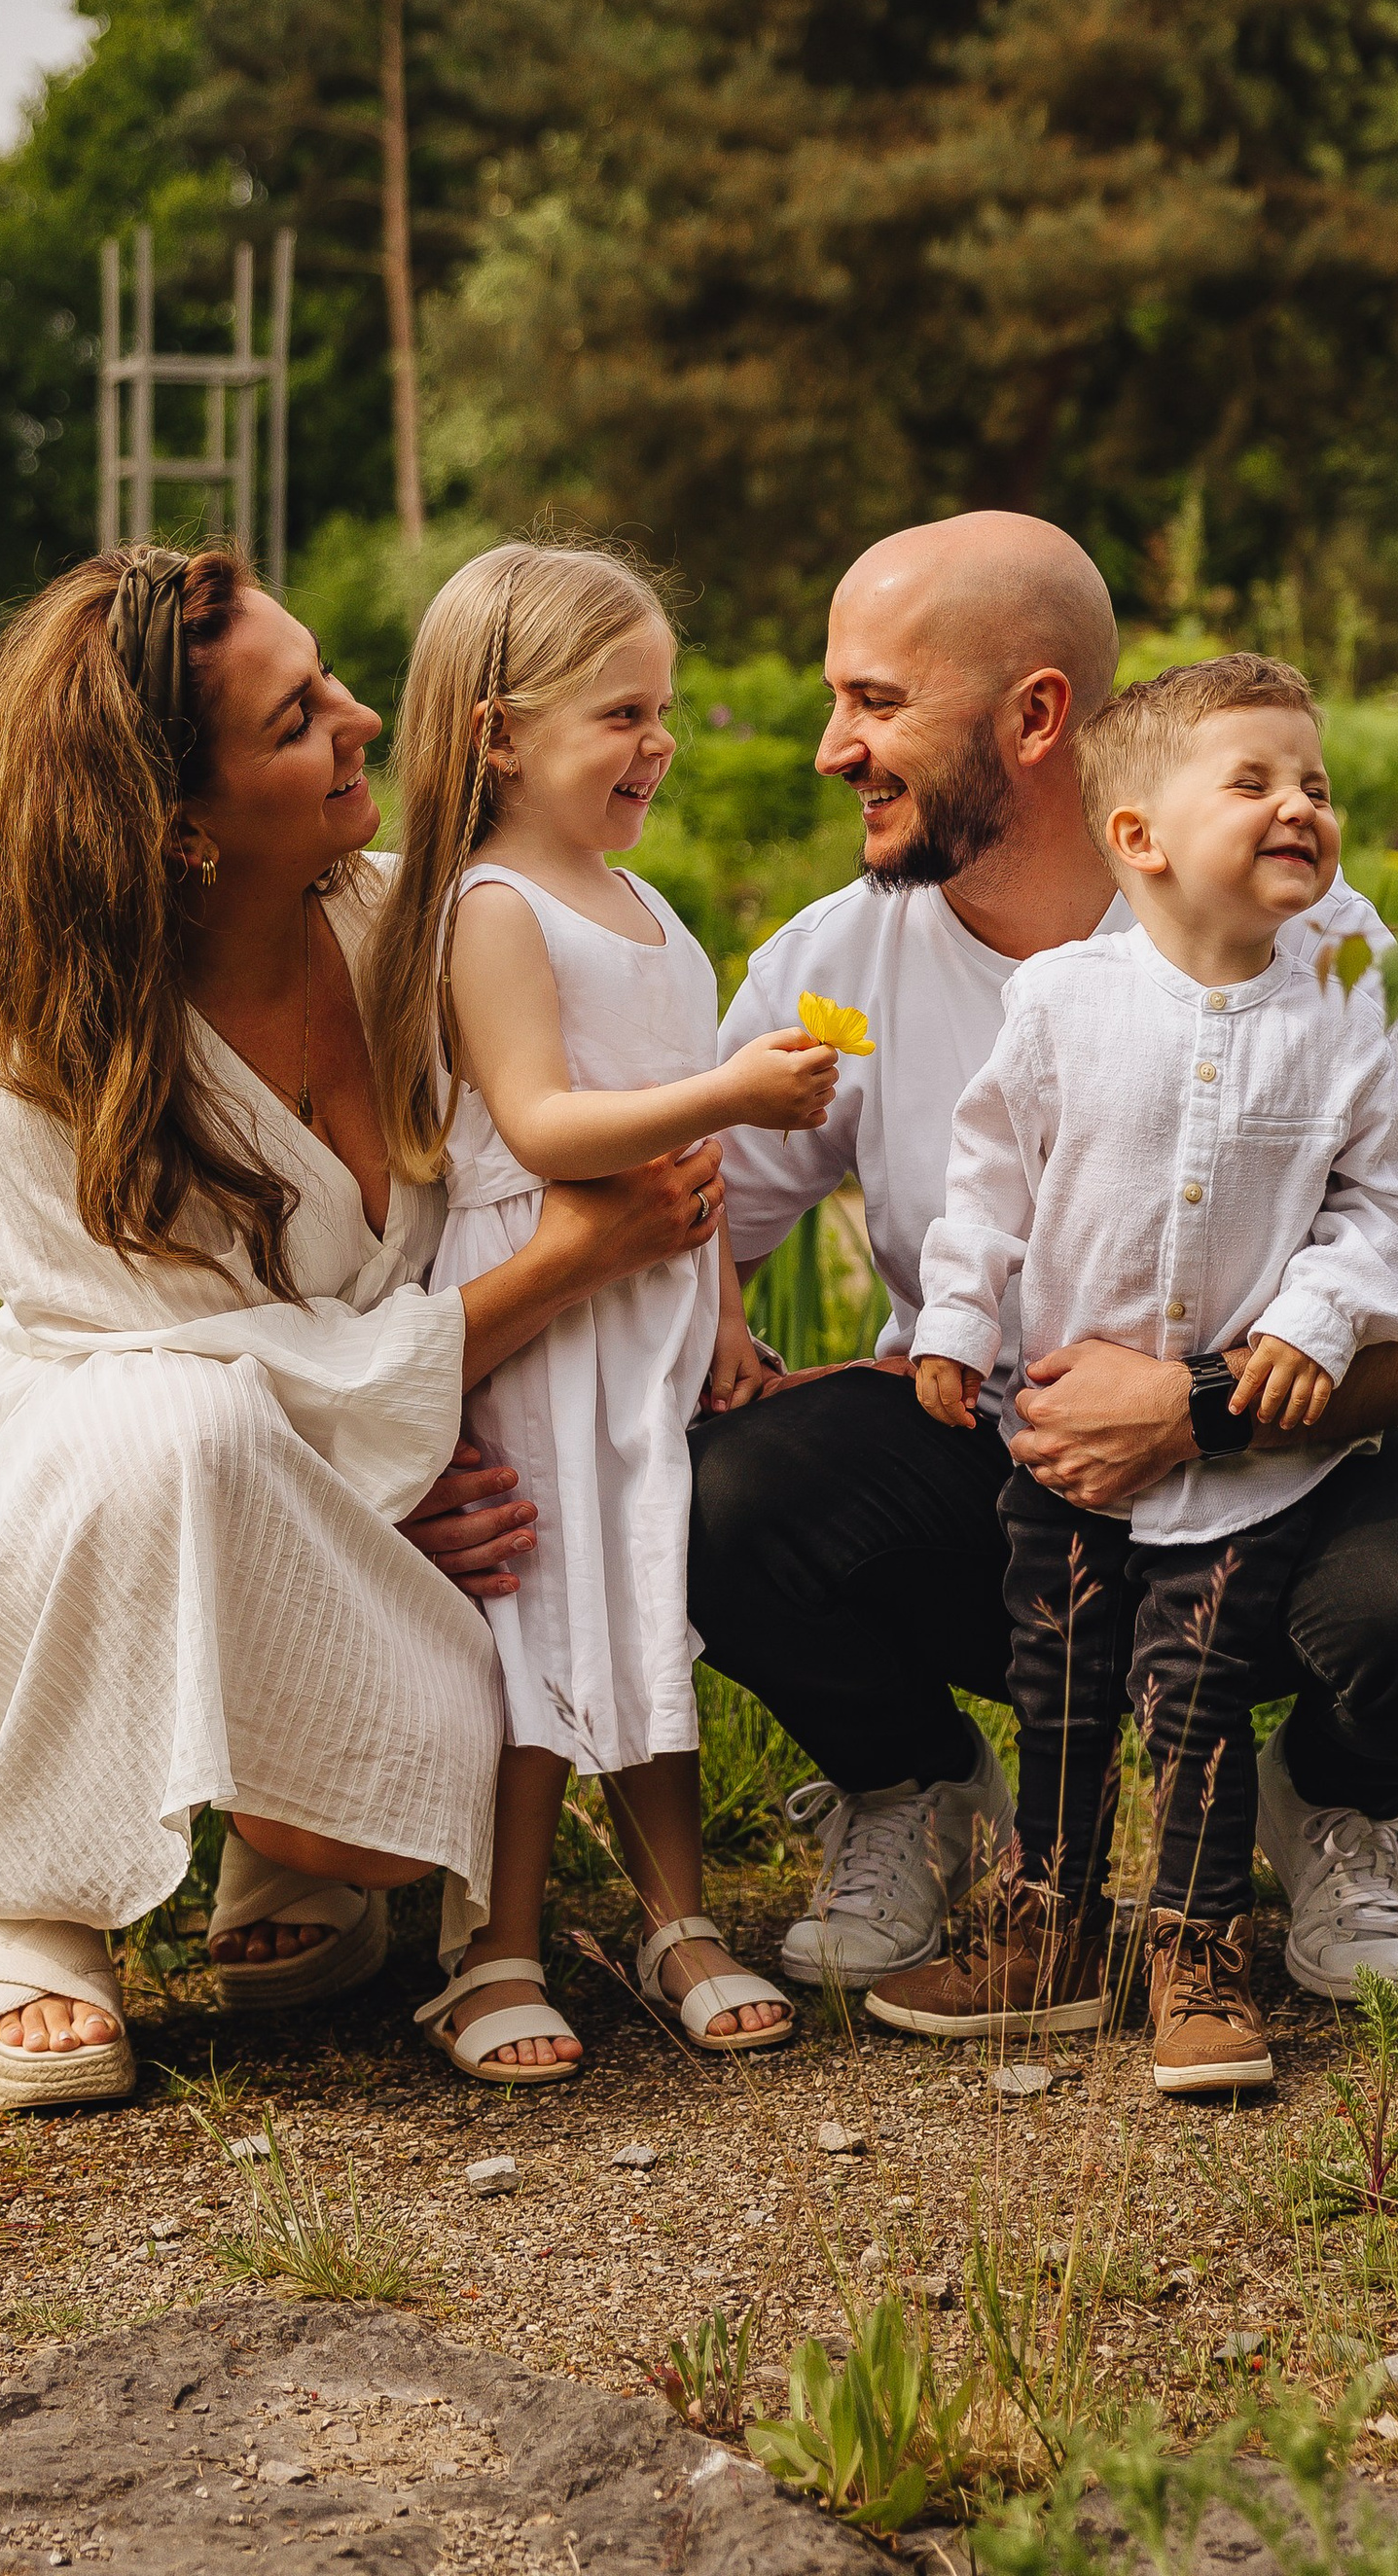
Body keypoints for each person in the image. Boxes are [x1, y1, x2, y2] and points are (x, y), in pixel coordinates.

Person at [573, 511, 1398, 2013]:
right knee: (716, 1494)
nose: (832, 749)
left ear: (1036, 718)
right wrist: (720, 1337)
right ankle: (916, 1788)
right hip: (1017, 1495)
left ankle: (1334, 1804)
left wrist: (1199, 1405)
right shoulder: (834, 972)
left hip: (1284, 1481)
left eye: (875, 702)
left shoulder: (1312, 941)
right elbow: (677, 1222)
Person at [0, 542, 725, 2114]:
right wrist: (558, 1272)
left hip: (385, 1453)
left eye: (330, 675)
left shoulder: (413, 923)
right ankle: (39, 1902)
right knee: (185, 1433)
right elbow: (205, 1370)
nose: (358, 719)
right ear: (176, 826)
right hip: (101, 1472)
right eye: (293, 721)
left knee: (441, 1786)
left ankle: (286, 1845)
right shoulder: (49, 1058)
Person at [880, 654, 1398, 2091]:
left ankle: (1195, 1950)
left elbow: (1390, 1214)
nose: (1301, 806)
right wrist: (954, 1322)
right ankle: (1051, 1928)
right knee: (1057, 1684)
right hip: (1062, 1441)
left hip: (1239, 1467)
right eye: (1253, 783)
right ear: (1137, 839)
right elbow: (988, 1184)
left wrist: (1315, 1324)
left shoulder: (1348, 1016)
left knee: (1194, 1701)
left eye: (1315, 783)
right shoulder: (1066, 1005)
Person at [366, 543, 827, 2081]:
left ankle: (668, 1913)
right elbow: (552, 1125)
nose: (659, 743)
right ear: (498, 734)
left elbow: (677, 1163)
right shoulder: (494, 907)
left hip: (645, 1318)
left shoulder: (640, 901)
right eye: (620, 714)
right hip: (545, 1309)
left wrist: (728, 1314)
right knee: (527, 1614)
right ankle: (489, 1942)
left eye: (665, 710)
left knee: (643, 1595)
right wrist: (736, 1086)